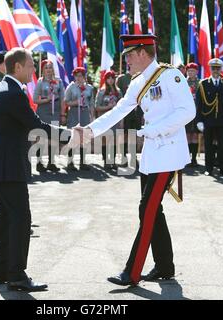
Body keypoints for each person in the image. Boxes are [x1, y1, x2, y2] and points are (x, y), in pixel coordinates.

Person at [75, 35, 195, 286]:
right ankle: (164, 265)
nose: (126, 60)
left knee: (147, 210)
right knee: (152, 210)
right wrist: (90, 130)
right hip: (152, 155)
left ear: (142, 52)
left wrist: (151, 130)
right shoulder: (138, 81)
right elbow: (120, 109)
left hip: (169, 152)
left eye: (129, 55)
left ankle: (132, 272)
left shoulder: (170, 75)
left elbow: (187, 111)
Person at [0, 47, 72, 291]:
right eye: (31, 66)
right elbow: (36, 125)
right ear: (18, 67)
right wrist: (69, 136)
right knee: (20, 220)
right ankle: (16, 275)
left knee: (4, 219)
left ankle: (2, 271)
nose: (34, 70)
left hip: (2, 164)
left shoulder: (0, 88)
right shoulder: (12, 93)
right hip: (10, 165)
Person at [196, 58, 223, 177]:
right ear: (210, 69)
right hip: (208, 120)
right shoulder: (203, 84)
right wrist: (199, 120)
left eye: (218, 68)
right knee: (208, 145)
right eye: (213, 68)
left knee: (222, 145)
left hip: (221, 120)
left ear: (221, 69)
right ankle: (209, 168)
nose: (216, 70)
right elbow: (199, 104)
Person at [33, 60, 65, 172]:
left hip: (55, 111)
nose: (48, 70)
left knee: (54, 137)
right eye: (46, 68)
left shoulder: (59, 81)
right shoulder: (40, 82)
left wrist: (62, 114)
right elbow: (35, 99)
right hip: (43, 111)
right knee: (41, 137)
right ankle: (39, 163)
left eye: (50, 67)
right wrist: (46, 100)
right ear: (43, 70)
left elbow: (62, 99)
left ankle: (51, 163)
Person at [64, 67, 95, 171]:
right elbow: (66, 102)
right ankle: (70, 162)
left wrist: (92, 116)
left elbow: (91, 103)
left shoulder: (89, 88)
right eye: (77, 76)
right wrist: (75, 102)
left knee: (84, 137)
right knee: (73, 137)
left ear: (84, 77)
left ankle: (82, 162)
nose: (79, 78)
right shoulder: (71, 87)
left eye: (81, 75)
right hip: (73, 112)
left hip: (84, 112)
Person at [95, 70, 123, 170]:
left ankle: (113, 160)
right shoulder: (102, 91)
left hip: (115, 119)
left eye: (112, 78)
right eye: (108, 78)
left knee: (114, 140)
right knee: (105, 139)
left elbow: (122, 107)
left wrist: (121, 120)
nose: (110, 80)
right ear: (105, 79)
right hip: (105, 118)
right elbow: (97, 107)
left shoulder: (118, 92)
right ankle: (106, 160)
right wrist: (108, 107)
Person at [185, 63, 200, 167]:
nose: (191, 73)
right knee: (186, 136)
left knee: (195, 135)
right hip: (185, 113)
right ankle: (187, 158)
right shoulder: (183, 82)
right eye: (189, 71)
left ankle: (194, 158)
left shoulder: (200, 83)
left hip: (197, 112)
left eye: (193, 71)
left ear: (196, 72)